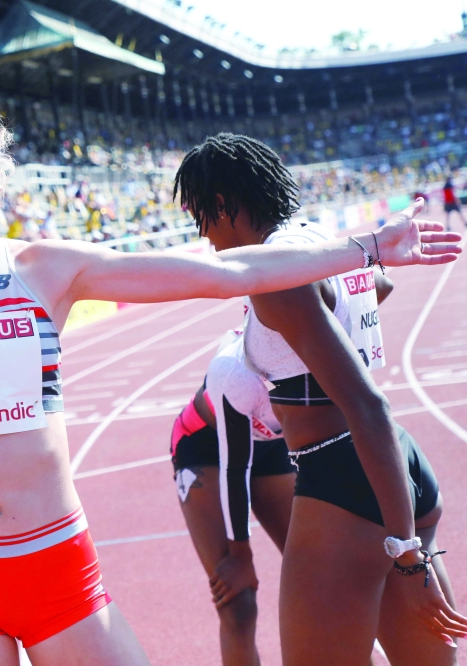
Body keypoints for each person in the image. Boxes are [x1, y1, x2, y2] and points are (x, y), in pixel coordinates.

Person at [0, 90, 460, 666]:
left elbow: (226, 270)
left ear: (0, 170)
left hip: (57, 564)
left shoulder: (50, 268)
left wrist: (365, 247)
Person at [173, 132, 466, 665]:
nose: (208, 239)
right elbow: (377, 288)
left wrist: (406, 553)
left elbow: (366, 404)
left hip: (343, 478)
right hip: (399, 467)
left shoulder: (276, 272)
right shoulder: (320, 239)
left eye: (202, 219)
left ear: (223, 204)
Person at [173, 266, 393, 666]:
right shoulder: (236, 371)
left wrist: (357, 263)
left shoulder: (321, 341)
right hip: (208, 451)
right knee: (238, 604)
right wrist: (241, 557)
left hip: (273, 448)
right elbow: (233, 469)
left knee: (328, 577)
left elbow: (382, 285)